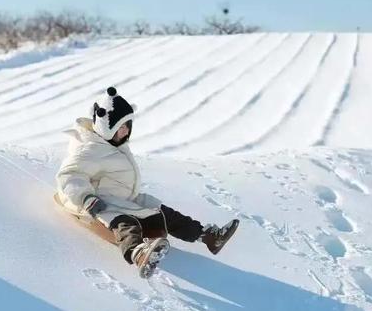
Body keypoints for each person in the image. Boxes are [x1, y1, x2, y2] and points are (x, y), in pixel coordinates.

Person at [55, 87, 239, 276]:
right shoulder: (91, 149)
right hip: (99, 203)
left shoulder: (113, 143)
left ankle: (208, 236)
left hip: (124, 197)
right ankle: (139, 254)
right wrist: (86, 198)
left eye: (128, 125)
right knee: (125, 224)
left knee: (163, 212)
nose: (126, 130)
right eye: (121, 127)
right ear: (106, 127)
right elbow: (69, 175)